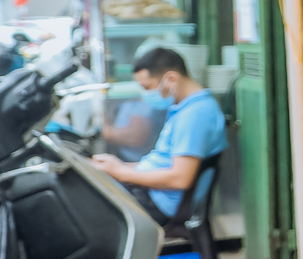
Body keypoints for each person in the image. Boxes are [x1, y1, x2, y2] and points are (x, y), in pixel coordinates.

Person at [90, 47, 227, 223]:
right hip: (151, 192)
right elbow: (166, 163)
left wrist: (121, 173)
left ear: (171, 79)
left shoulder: (195, 115)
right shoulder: (185, 108)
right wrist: (119, 167)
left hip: (158, 203)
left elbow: (180, 178)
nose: (146, 95)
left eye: (148, 87)